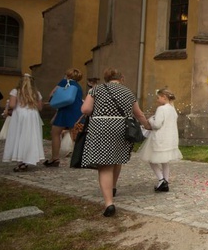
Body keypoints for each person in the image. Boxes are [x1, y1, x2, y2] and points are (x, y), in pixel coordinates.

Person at [81, 68, 151, 217]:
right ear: (122, 78)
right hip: (121, 127)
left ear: (106, 78)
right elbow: (138, 113)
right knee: (116, 158)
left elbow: (86, 109)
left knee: (105, 165)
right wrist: (147, 125)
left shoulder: (96, 90)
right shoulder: (128, 92)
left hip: (101, 127)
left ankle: (109, 203)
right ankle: (112, 187)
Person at [138, 88, 182, 192]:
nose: (157, 100)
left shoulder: (161, 109)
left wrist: (151, 120)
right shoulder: (172, 109)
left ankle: (161, 179)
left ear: (164, 97)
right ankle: (165, 182)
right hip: (170, 139)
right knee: (165, 162)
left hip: (160, 139)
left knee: (151, 159)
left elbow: (157, 125)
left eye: (158, 98)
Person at [2, 73, 45, 171]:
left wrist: (7, 108)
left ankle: (20, 159)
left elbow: (12, 105)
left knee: (19, 135)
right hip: (32, 115)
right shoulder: (37, 93)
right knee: (31, 136)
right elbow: (40, 107)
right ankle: (27, 158)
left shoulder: (15, 91)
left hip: (20, 114)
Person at [44, 68, 84, 167]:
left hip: (65, 110)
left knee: (55, 133)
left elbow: (52, 94)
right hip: (77, 111)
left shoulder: (64, 82)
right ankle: (81, 159)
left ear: (68, 75)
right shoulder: (78, 86)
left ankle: (55, 158)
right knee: (76, 136)